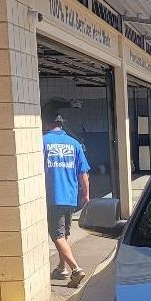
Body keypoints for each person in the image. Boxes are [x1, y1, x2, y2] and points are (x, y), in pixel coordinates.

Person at [42, 111, 90, 287]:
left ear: (46, 124)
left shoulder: (42, 142)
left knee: (57, 235)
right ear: (61, 125)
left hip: (53, 196)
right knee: (64, 234)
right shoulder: (74, 144)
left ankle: (75, 269)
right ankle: (61, 268)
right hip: (70, 197)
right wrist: (85, 194)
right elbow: (83, 173)